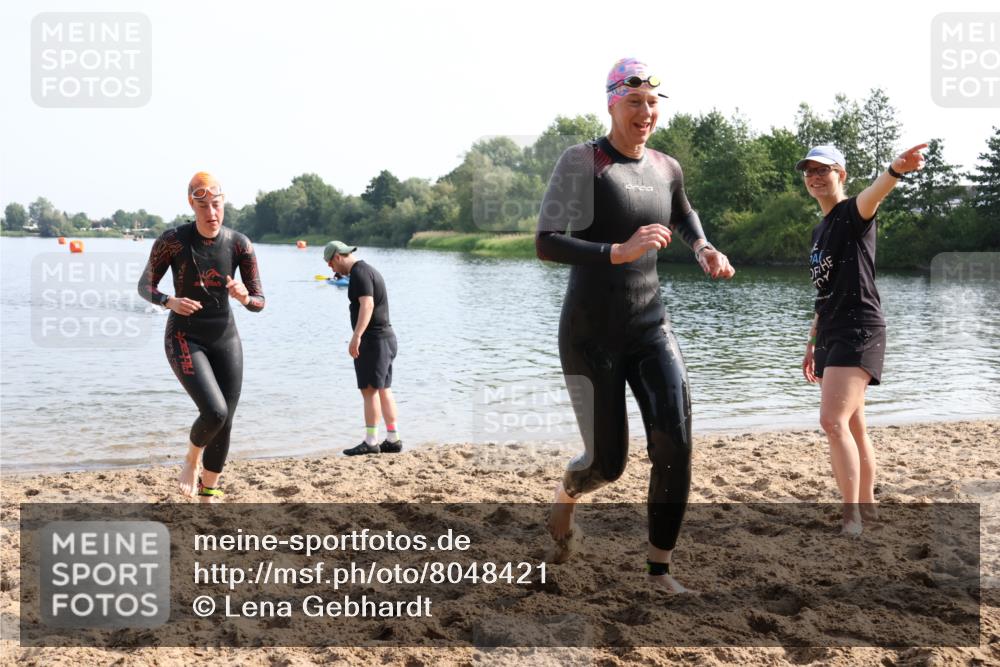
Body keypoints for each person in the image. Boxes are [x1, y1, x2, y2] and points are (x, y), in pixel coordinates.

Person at [536, 58, 735, 593]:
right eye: (635, 102)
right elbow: (546, 240)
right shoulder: (583, 161)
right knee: (607, 464)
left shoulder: (668, 168)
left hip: (651, 327)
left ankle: (658, 569)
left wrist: (703, 247)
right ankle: (568, 492)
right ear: (611, 104)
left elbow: (683, 212)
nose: (646, 113)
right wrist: (617, 251)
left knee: (676, 441)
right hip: (589, 335)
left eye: (652, 103)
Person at [799, 143, 927, 535]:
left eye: (824, 170)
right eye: (809, 171)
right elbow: (826, 292)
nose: (816, 177)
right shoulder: (820, 230)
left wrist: (894, 170)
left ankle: (851, 514)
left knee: (831, 422)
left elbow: (876, 193)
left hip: (861, 329)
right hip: (833, 331)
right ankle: (867, 508)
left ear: (842, 175)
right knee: (854, 426)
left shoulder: (853, 214)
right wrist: (811, 342)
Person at [138, 172, 265, 501]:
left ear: (225, 205)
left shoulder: (240, 244)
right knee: (215, 412)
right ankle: (191, 460)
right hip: (185, 337)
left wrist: (243, 296)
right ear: (192, 205)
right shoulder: (174, 241)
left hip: (225, 337)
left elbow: (259, 302)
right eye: (204, 205)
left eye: (217, 205)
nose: (212, 213)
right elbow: (145, 286)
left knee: (227, 419)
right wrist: (170, 301)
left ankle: (209, 494)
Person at [323, 241, 402, 456]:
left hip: (373, 340)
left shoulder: (359, 273)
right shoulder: (368, 270)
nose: (331, 269)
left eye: (330, 264)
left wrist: (356, 336)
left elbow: (367, 304)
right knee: (384, 389)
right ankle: (393, 438)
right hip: (386, 337)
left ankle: (371, 441)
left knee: (369, 390)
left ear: (338, 257)